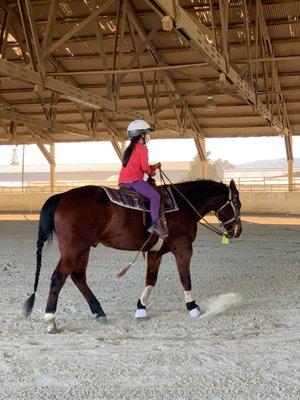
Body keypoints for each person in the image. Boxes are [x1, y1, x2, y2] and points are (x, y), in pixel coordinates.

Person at [118, 119, 168, 238]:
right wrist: (151, 172)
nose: (148, 136)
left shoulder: (131, 148)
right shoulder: (142, 148)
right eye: (147, 133)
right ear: (142, 134)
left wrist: (154, 166)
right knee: (155, 196)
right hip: (134, 181)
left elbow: (138, 165)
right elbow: (145, 168)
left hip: (123, 181)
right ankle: (155, 223)